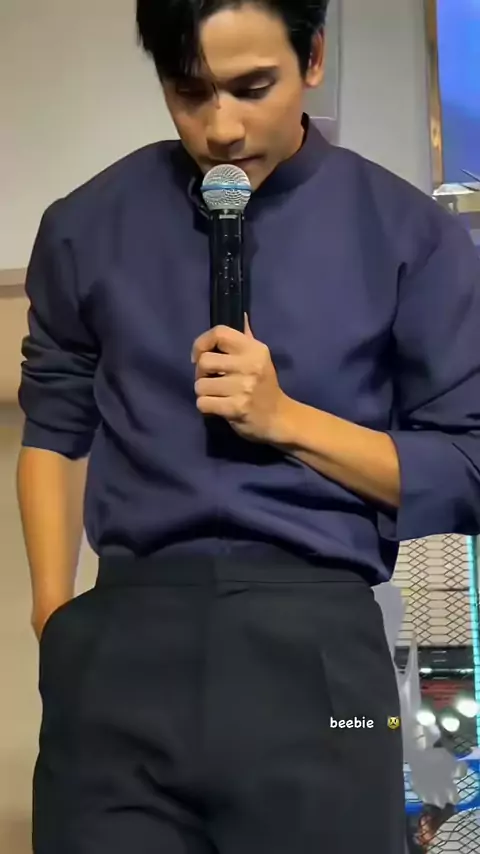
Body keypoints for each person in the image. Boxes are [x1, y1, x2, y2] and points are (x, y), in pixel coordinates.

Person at [16, 1, 480, 852]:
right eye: (189, 92)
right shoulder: (86, 224)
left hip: (317, 640)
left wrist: (286, 421)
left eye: (252, 87)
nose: (221, 128)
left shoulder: (407, 232)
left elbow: (467, 467)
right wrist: (54, 615)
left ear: (313, 58)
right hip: (124, 638)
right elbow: (54, 422)